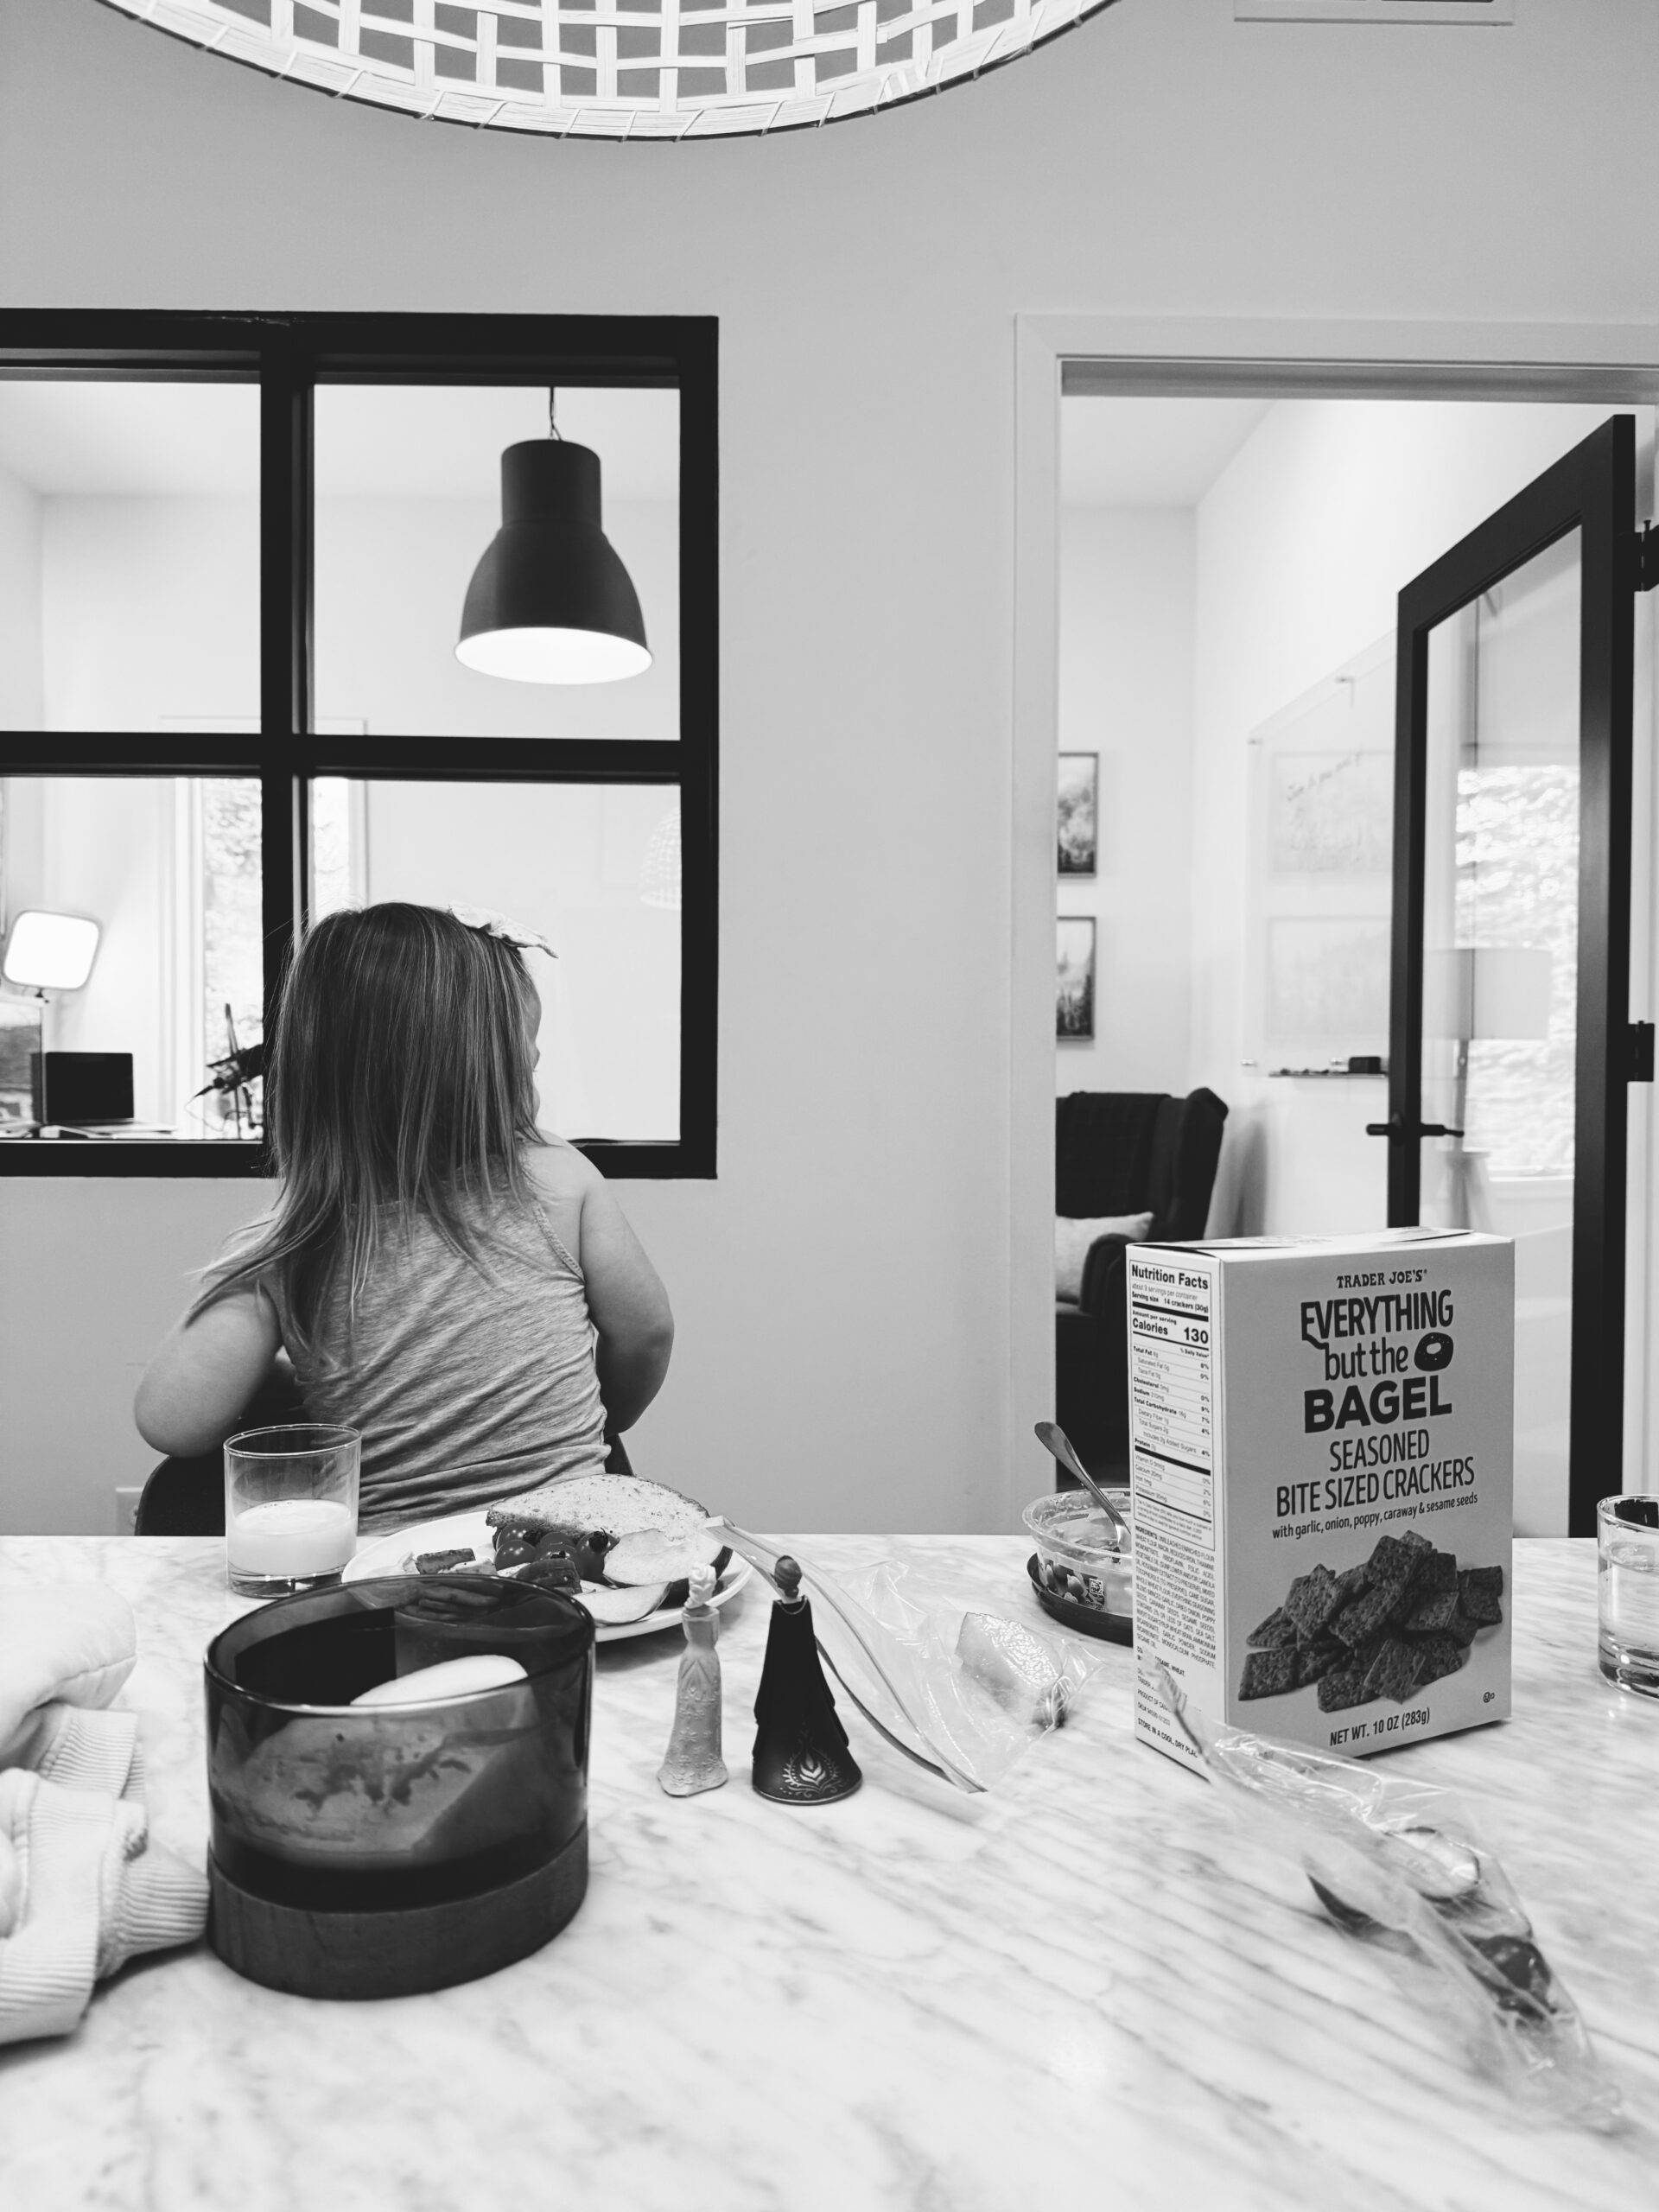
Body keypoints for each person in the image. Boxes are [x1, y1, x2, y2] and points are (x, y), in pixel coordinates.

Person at [135, 902, 674, 1532]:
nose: (534, 1061)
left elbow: (172, 1422)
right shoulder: (557, 1179)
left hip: (392, 1569)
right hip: (565, 1556)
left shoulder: (291, 1242)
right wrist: (604, 1422)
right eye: (526, 1049)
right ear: (486, 1072)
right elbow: (647, 1333)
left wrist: (291, 1375)